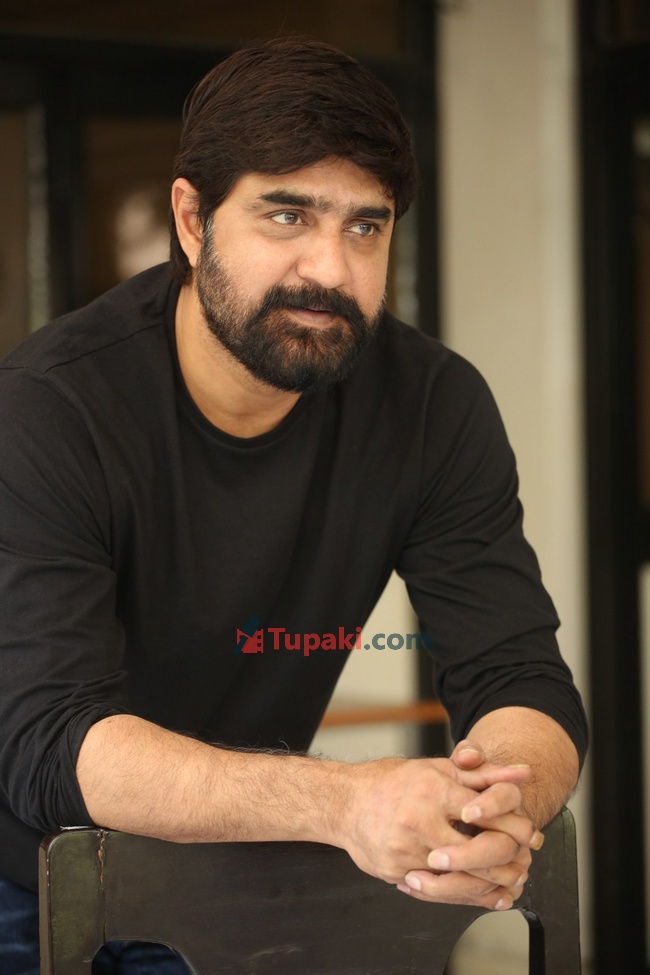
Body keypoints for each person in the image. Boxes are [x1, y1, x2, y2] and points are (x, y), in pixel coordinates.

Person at [0, 36, 587, 974]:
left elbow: (519, 674)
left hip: (229, 878)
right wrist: (344, 803)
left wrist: (496, 806)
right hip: (17, 871)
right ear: (191, 220)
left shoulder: (432, 405)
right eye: (287, 215)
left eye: (366, 227)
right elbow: (49, 743)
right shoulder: (50, 408)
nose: (331, 269)